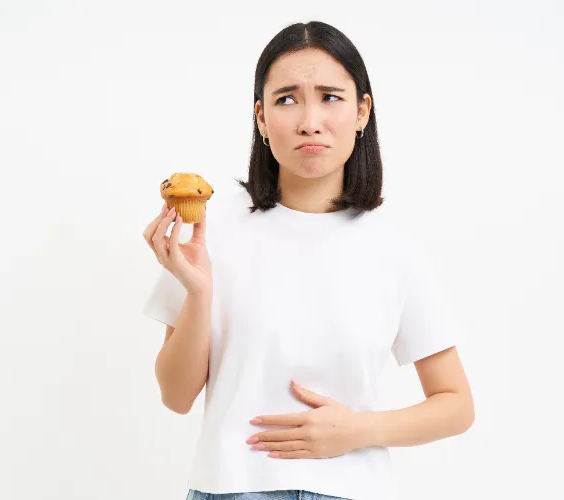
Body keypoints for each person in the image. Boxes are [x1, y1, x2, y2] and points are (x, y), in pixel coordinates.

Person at [142, 21, 474, 500]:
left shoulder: (392, 246)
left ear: (362, 111)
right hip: (229, 489)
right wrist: (198, 293)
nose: (309, 121)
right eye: (286, 99)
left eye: (331, 97)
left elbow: (456, 405)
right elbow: (175, 397)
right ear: (260, 118)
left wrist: (356, 430)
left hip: (352, 490)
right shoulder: (209, 233)